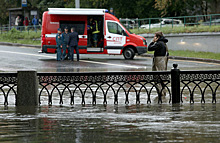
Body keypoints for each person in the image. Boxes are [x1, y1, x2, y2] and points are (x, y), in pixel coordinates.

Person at [148, 31, 169, 96]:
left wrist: (152, 42)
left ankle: (161, 94)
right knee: (162, 79)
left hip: (158, 62)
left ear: (158, 37)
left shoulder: (159, 43)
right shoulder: (164, 43)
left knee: (156, 78)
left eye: (155, 36)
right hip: (163, 62)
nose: (154, 38)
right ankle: (164, 93)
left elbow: (149, 48)